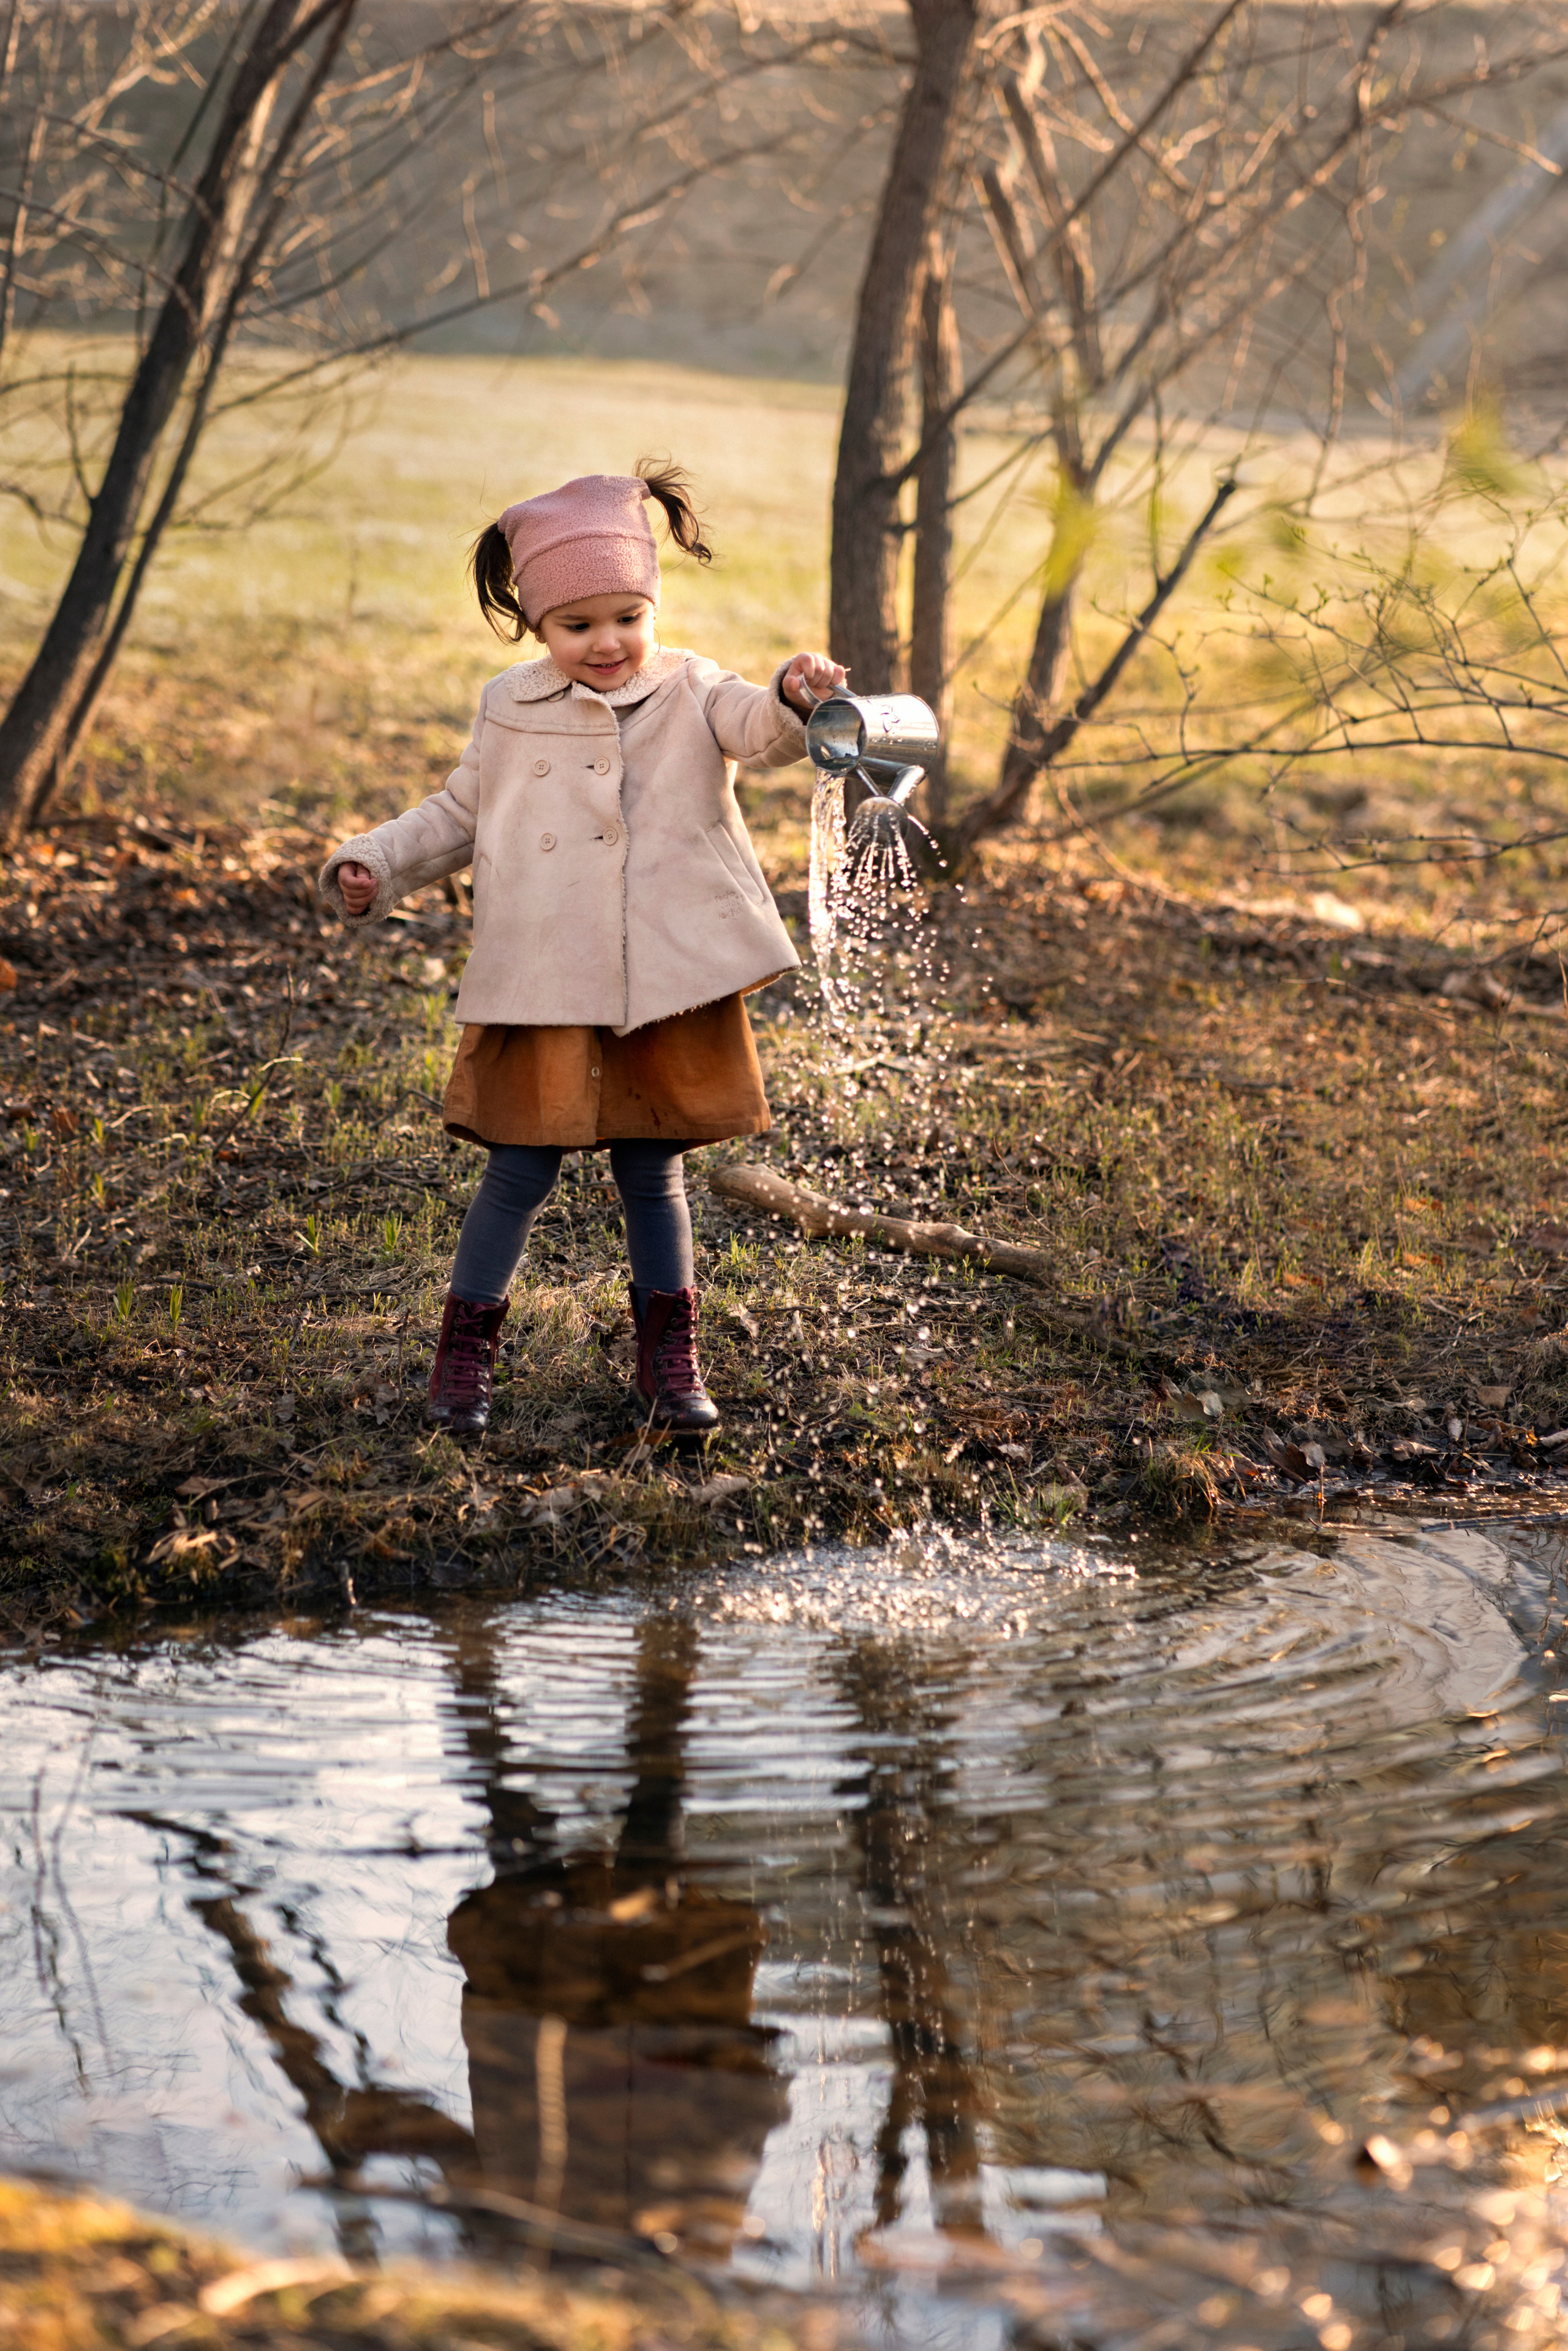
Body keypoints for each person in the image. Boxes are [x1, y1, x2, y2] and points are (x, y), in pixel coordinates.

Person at [319, 460, 843, 1440]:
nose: (607, 642)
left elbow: (757, 727)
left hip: (664, 977)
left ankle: (669, 1359)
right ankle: (465, 1355)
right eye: (577, 625)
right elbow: (458, 813)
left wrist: (792, 690)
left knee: (655, 1170)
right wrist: (376, 864)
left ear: (652, 603)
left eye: (626, 615)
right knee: (518, 1168)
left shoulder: (690, 685)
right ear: (533, 623)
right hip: (548, 975)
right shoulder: (511, 705)